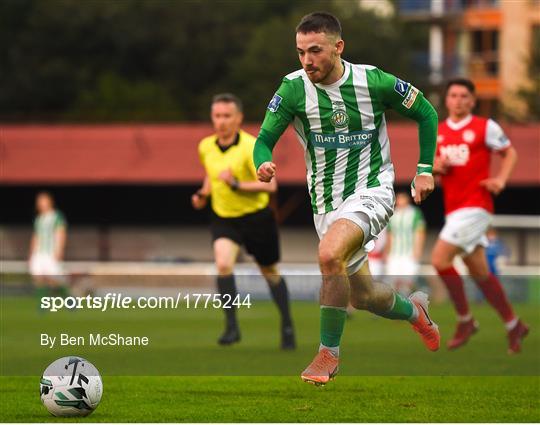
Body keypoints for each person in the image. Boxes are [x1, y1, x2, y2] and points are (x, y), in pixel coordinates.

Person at [253, 12, 440, 386]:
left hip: (372, 188)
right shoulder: (291, 89)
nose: (307, 61)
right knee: (365, 297)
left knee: (328, 254)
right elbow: (262, 141)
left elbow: (426, 112)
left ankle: (328, 354)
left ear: (338, 47)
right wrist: (263, 164)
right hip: (325, 202)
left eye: (315, 51)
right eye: (300, 52)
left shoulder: (373, 82)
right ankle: (416, 312)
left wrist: (423, 168)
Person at [431, 78, 528, 354]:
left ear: (472, 101)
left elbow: (510, 153)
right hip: (454, 210)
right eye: (453, 95)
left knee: (439, 259)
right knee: (480, 273)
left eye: (464, 96)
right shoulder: (438, 133)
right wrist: (438, 168)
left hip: (476, 207)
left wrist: (500, 179)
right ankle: (513, 324)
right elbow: (435, 172)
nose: (458, 100)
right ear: (446, 100)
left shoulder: (485, 127)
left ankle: (465, 320)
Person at [192, 93, 295, 349]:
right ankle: (231, 327)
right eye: (217, 116)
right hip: (224, 218)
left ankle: (287, 324)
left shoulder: (251, 147)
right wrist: (203, 194)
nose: (222, 121)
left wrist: (236, 184)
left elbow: (272, 188)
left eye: (227, 116)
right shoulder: (205, 146)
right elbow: (211, 176)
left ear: (238, 118)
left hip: (257, 218)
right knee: (223, 264)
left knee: (269, 272)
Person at [29, 192, 68, 301]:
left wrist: (59, 250)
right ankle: (43, 305)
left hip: (50, 252)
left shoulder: (56, 216)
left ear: (50, 202)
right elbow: (36, 236)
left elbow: (61, 233)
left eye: (43, 201)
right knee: (38, 278)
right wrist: (31, 253)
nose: (41, 204)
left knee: (54, 280)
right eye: (39, 201)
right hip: (38, 253)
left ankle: (70, 302)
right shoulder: (39, 219)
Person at [385, 192, 426, 295]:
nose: (399, 201)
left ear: (407, 200)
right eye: (398, 199)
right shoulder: (392, 214)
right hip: (394, 254)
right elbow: (390, 235)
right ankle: (396, 306)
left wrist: (418, 251)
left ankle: (407, 303)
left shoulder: (414, 213)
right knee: (393, 281)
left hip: (409, 253)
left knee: (407, 282)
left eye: (402, 199)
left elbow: (420, 232)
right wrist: (387, 251)